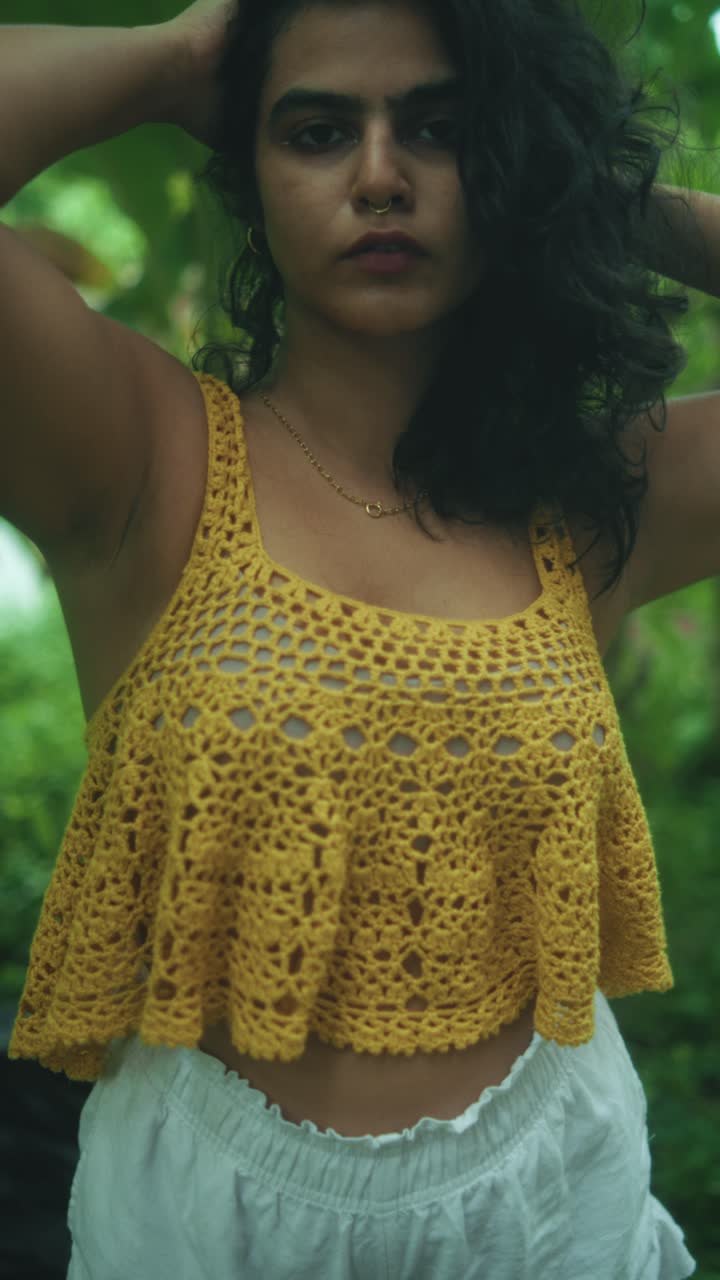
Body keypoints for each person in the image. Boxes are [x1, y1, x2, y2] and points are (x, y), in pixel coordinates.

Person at [0, 0, 707, 1275]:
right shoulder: (141, 459)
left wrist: (583, 186)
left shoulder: (593, 499)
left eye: (439, 130)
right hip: (208, 1223)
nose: (380, 176)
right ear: (249, 174)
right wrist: (174, 60)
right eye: (317, 131)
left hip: (553, 1207)